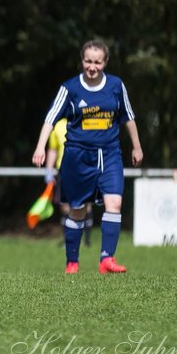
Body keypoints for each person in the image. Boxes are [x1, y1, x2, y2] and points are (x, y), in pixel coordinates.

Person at [31, 40, 143, 274]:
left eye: (97, 62)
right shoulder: (70, 88)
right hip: (77, 158)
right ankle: (72, 262)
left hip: (110, 154)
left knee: (115, 203)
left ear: (105, 62)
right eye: (88, 61)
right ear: (82, 61)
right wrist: (40, 147)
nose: (92, 66)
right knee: (78, 210)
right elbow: (50, 119)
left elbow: (128, 117)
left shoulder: (115, 85)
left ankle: (106, 260)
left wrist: (136, 147)